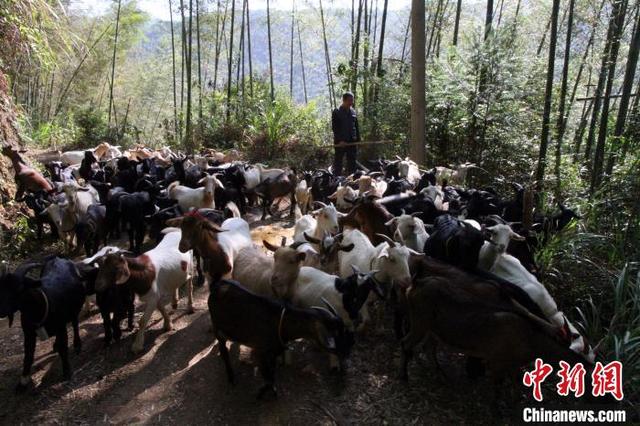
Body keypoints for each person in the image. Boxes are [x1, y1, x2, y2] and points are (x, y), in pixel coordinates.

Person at [331, 91, 360, 176]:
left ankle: (352, 179)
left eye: (352, 100)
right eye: (349, 100)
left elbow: (356, 127)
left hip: (352, 141)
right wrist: (340, 140)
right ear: (344, 100)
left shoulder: (353, 112)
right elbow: (335, 128)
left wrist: (358, 139)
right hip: (340, 142)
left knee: (352, 162)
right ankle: (336, 179)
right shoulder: (336, 112)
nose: (351, 102)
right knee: (338, 162)